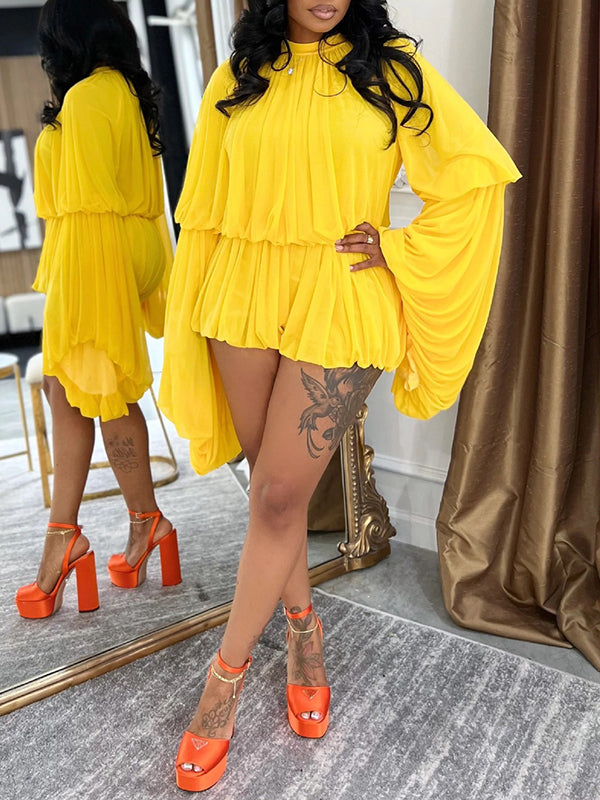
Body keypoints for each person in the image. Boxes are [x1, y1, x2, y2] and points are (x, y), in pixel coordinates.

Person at [160, 0, 520, 791]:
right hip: (242, 290)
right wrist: (187, 307)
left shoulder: (390, 70)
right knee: (273, 494)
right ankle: (303, 630)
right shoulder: (239, 74)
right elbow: (203, 209)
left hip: (340, 289)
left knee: (279, 495)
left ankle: (222, 683)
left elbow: (477, 177)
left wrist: (397, 248)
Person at [15, 0, 181, 621]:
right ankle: (142, 524)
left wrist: (80, 286)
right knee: (87, 386)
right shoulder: (126, 94)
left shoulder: (86, 98)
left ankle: (70, 538)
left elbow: (85, 205)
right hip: (126, 243)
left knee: (79, 383)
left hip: (98, 246)